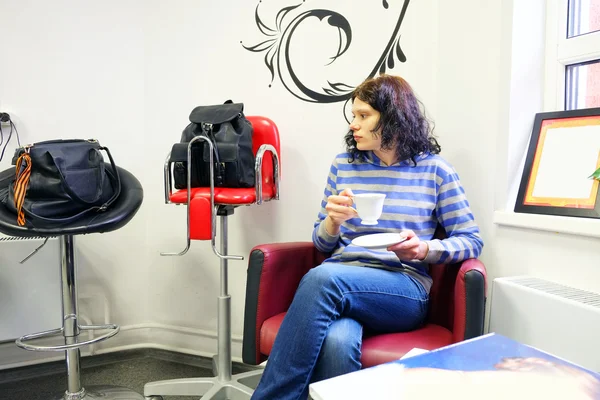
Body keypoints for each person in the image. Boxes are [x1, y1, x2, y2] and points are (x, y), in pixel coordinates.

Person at [250, 74, 484, 400]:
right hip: (343, 280)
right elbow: (322, 244)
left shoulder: (435, 171)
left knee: (324, 278)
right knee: (337, 341)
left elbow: (471, 239)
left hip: (403, 288)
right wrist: (332, 222)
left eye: (363, 116)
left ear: (393, 118)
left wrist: (424, 249)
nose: (353, 125)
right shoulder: (344, 165)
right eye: (353, 116)